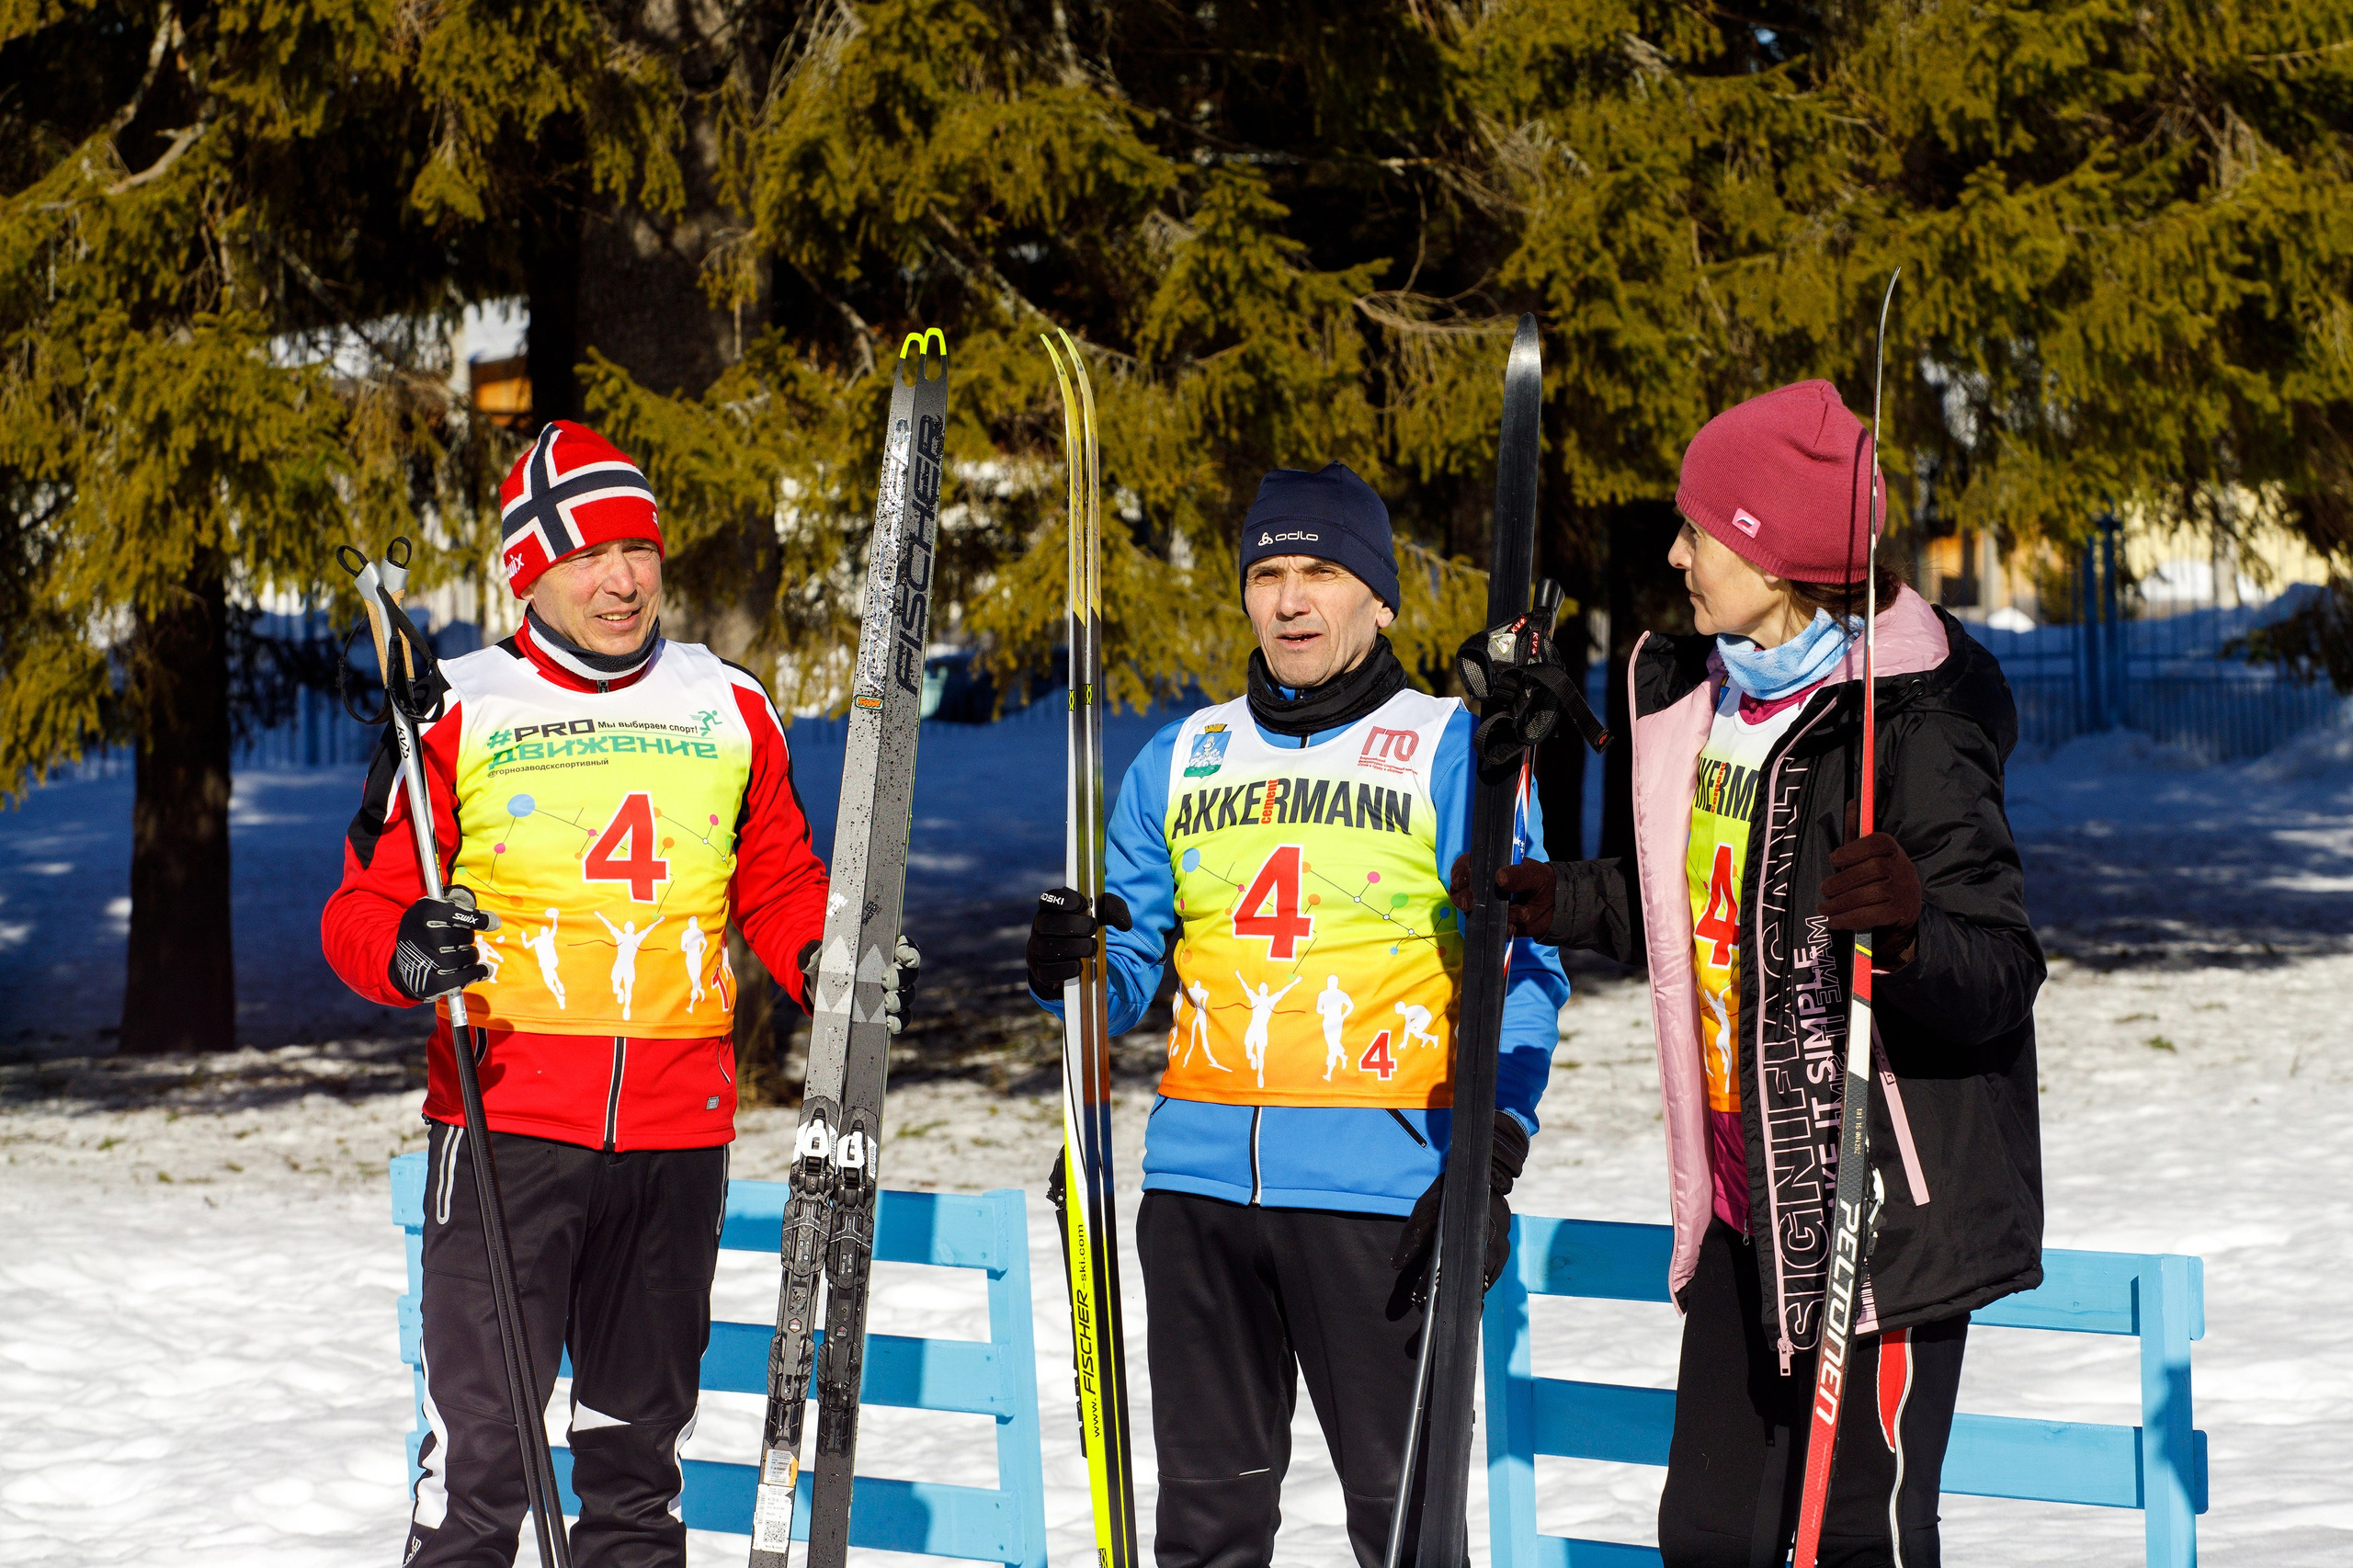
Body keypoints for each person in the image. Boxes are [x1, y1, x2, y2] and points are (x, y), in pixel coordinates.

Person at [1465, 381, 2044, 1568]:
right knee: (1712, 1533)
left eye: (1700, 532)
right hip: (1740, 1193)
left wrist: (1915, 928)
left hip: (1872, 1218)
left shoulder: (1911, 724)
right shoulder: (1706, 695)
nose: (1675, 554)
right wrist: (1562, 897)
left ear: (1775, 553)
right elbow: (1700, 899)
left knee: (1848, 1539)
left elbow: (2001, 974)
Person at [321, 420, 887, 1567]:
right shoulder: (454, 706)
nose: (620, 579)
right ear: (531, 569)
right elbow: (357, 908)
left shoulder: (728, 704)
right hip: (504, 1128)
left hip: (678, 1140)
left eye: (637, 548)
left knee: (636, 1470)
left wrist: (828, 963)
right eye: (587, 555)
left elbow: (778, 879)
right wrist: (408, 951)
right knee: (479, 1470)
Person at [1025, 461, 1572, 1568]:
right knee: (1206, 1531)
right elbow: (1126, 971)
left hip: (1386, 1195)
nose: (1289, 600)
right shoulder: (1179, 758)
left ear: (1379, 596)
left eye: (1320, 572)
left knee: (1406, 1528)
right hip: (1196, 1199)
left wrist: (1491, 1157)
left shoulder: (1456, 747)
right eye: (1267, 573)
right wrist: (1070, 967)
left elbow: (1524, 972)